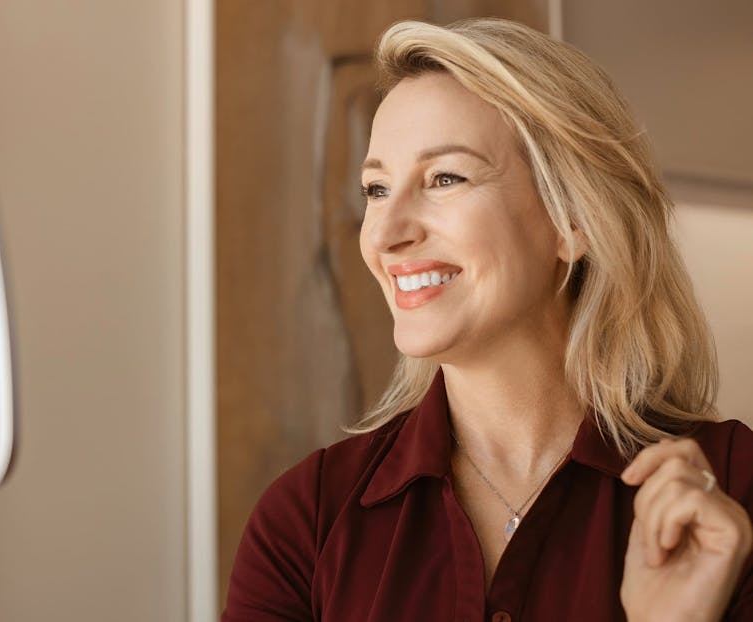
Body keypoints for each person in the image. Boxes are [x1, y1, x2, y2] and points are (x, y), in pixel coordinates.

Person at [221, 17, 753, 622]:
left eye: (445, 177)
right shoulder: (305, 522)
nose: (387, 234)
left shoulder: (731, 494)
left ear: (572, 221)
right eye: (375, 189)